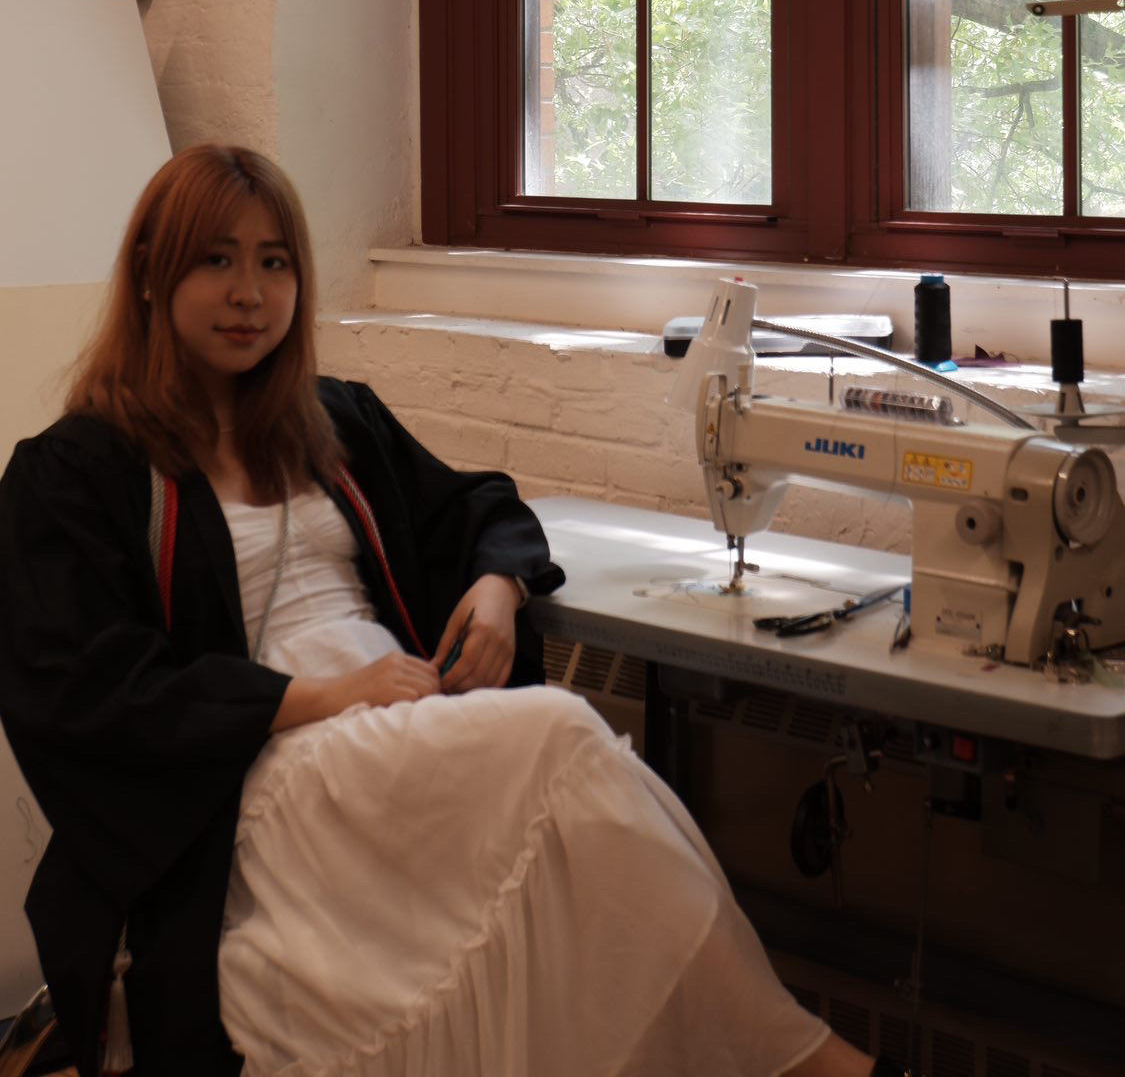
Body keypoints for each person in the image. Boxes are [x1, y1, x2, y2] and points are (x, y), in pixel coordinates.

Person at [0, 145, 902, 1077]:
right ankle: (815, 1064)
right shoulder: (77, 474)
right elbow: (82, 689)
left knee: (582, 851)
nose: (249, 292)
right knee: (560, 737)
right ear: (151, 270)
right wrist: (321, 696)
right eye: (215, 259)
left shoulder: (332, 421)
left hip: (397, 721)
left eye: (274, 261)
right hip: (255, 772)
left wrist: (499, 587)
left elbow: (481, 504)